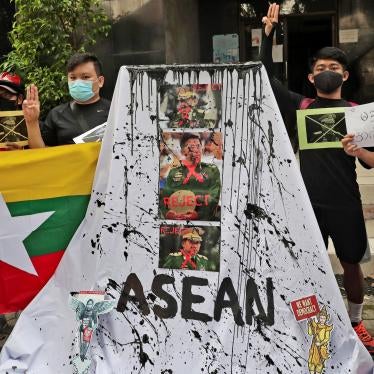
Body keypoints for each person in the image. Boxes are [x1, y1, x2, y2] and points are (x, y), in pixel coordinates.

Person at [261, 3, 374, 354]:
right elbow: (264, 74)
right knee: (306, 265)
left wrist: (360, 152)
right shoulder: (303, 106)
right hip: (306, 203)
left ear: (345, 76)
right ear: (311, 78)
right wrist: (267, 37)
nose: (328, 72)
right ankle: (312, 325)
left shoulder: (358, 114)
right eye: (321, 68)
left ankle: (356, 322)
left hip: (345, 202)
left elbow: (373, 161)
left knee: (352, 263)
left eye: (334, 67)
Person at [23, 52, 110, 148]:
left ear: (100, 81)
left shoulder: (114, 111)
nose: (78, 82)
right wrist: (32, 122)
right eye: (73, 78)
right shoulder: (57, 114)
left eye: (85, 77)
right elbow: (41, 153)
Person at [160, 132, 221, 221]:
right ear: (182, 151)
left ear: (202, 149)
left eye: (198, 146)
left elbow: (214, 198)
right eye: (190, 147)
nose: (195, 150)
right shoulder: (174, 172)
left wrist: (198, 215)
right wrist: (168, 213)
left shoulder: (212, 170)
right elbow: (165, 198)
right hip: (177, 220)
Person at [0, 71, 26, 151]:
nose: (1, 100)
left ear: (20, 99)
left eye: (7, 95)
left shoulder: (31, 126)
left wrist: (21, 153)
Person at [307, 306, 333, 374]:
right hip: (314, 347)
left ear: (326, 319)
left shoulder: (327, 328)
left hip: (321, 347)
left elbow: (327, 338)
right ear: (319, 318)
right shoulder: (315, 325)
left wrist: (320, 343)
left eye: (324, 318)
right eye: (321, 318)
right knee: (311, 363)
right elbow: (310, 333)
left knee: (319, 364)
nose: (322, 319)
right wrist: (310, 325)